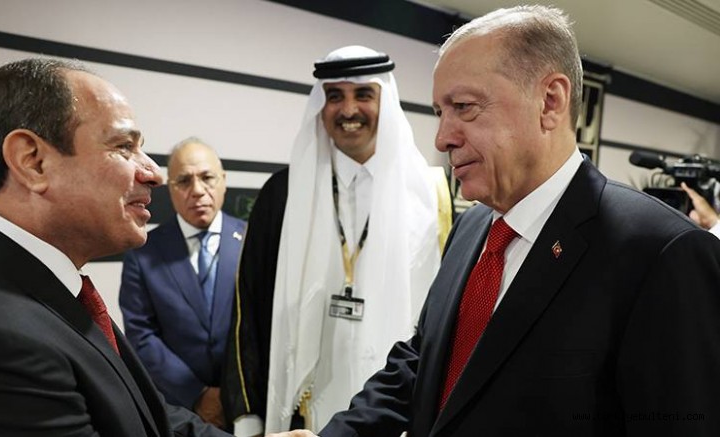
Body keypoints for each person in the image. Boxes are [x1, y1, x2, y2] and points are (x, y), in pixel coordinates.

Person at [270, 6, 720, 437]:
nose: (442, 138)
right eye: (440, 112)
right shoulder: (470, 229)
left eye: (465, 106)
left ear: (550, 102)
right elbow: (425, 359)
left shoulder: (661, 253)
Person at [0, 58, 230, 437]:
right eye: (124, 146)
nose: (153, 174)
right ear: (33, 162)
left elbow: (141, 413)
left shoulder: (36, 282)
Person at [222, 45, 451, 435]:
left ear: (385, 100)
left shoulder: (430, 195)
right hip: (302, 418)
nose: (348, 110)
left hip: (396, 416)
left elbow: (442, 320)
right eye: (334, 96)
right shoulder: (284, 194)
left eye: (363, 94)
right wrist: (247, 419)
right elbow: (249, 309)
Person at [120, 137, 246, 429]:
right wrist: (197, 394)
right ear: (170, 188)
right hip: (179, 411)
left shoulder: (253, 241)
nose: (198, 190)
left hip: (249, 406)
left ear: (224, 180)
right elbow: (141, 335)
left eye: (207, 178)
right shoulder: (144, 252)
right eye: (184, 181)